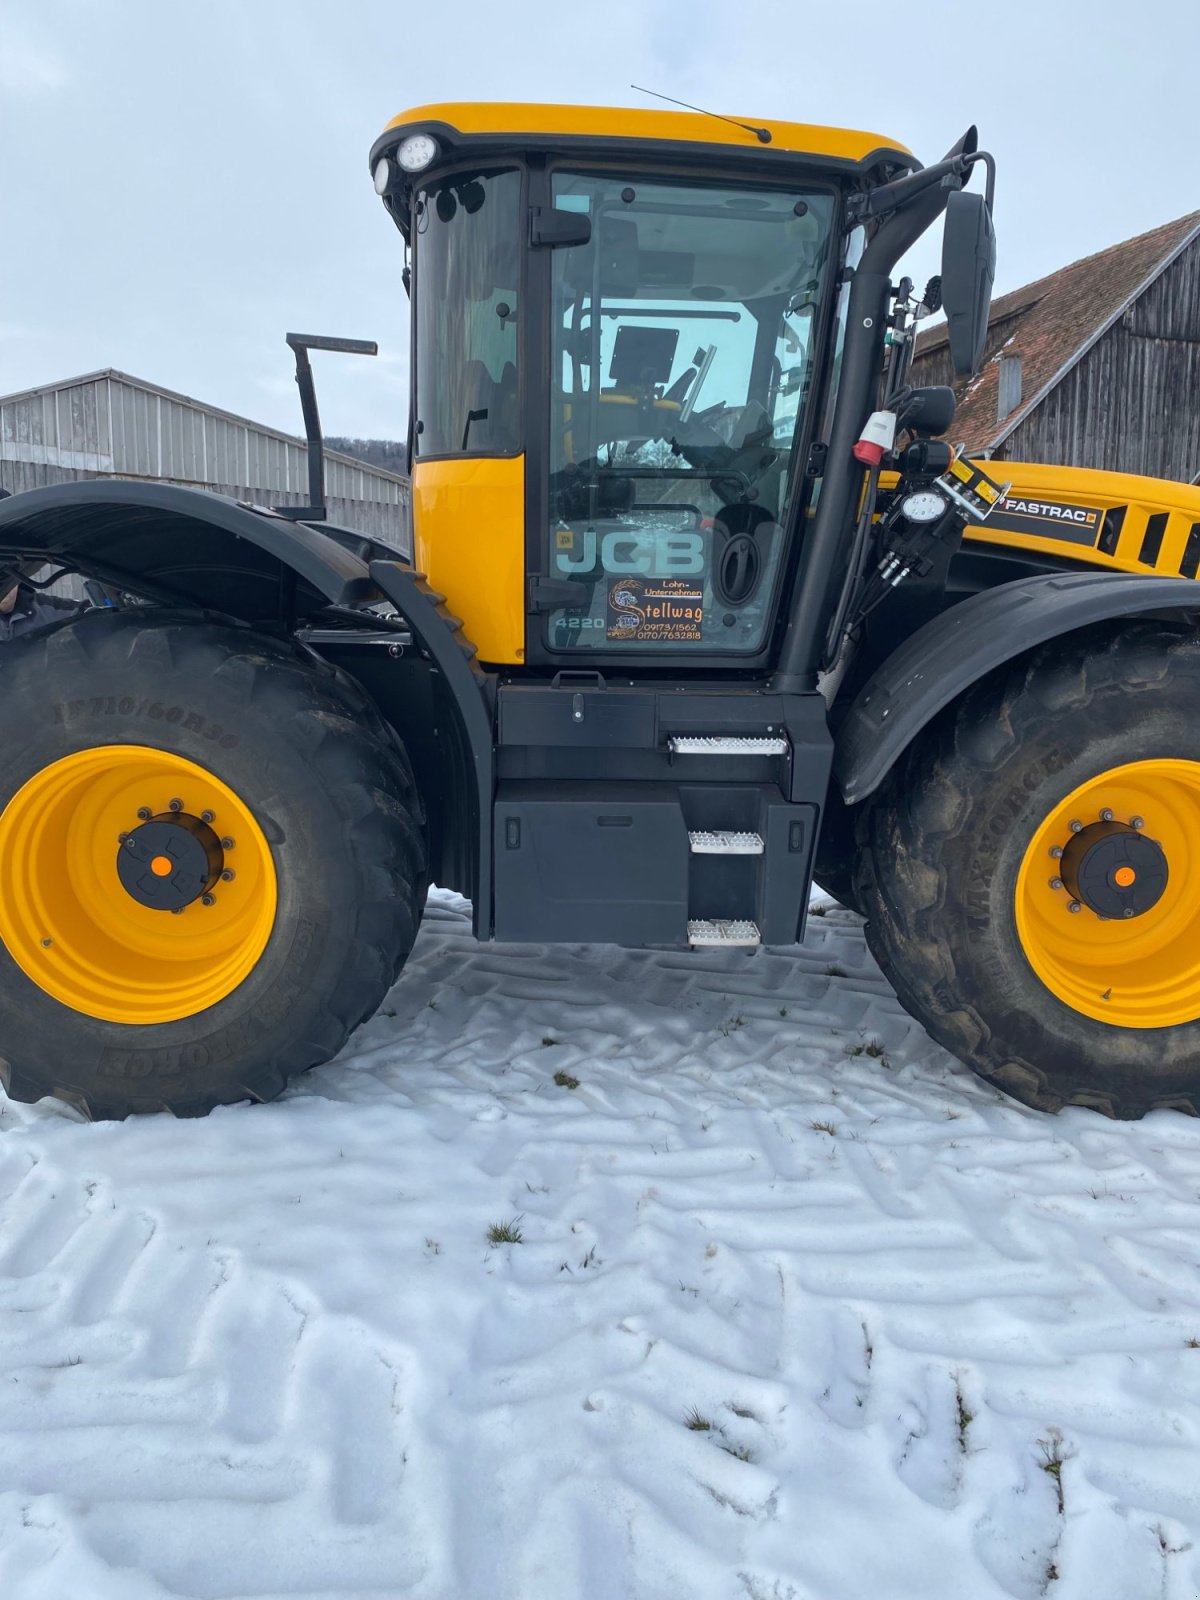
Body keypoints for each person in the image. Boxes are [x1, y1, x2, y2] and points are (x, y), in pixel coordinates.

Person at [0, 572, 90, 642]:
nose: (3, 586)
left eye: (5, 577)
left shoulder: (48, 608)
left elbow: (91, 612)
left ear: (18, 579)